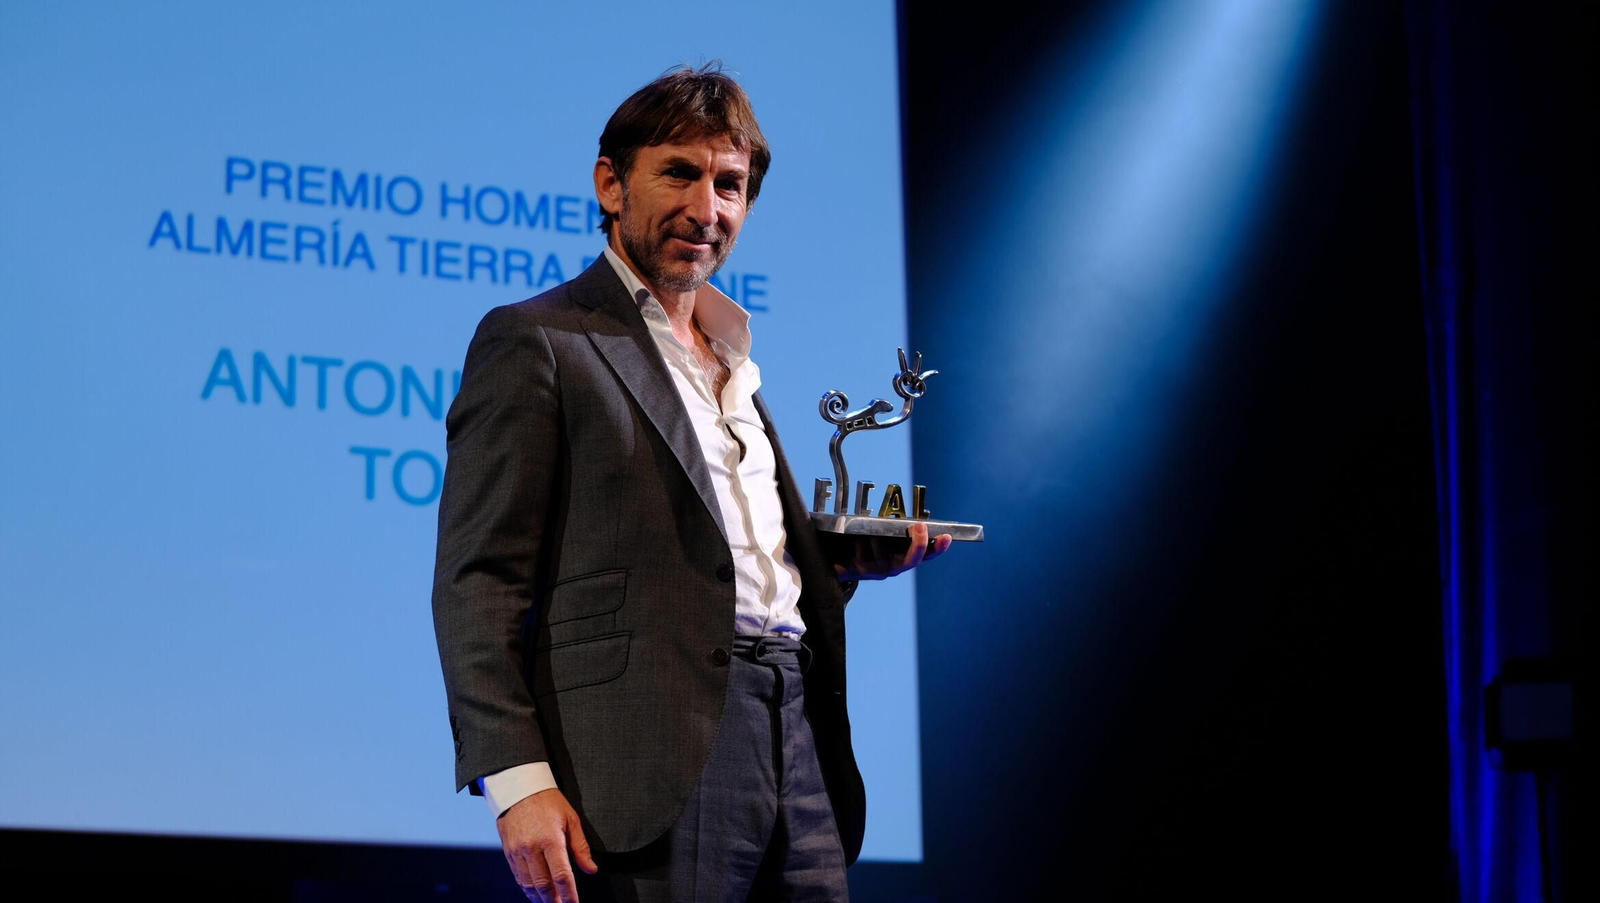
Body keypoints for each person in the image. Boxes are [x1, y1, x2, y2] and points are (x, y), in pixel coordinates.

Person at [431, 63, 949, 903]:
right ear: (610, 182)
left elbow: (725, 566)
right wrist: (516, 779)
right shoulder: (540, 339)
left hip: (798, 732)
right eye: (679, 172)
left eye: (730, 185)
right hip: (650, 755)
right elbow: (478, 579)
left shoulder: (734, 354)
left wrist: (841, 566)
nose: (706, 209)